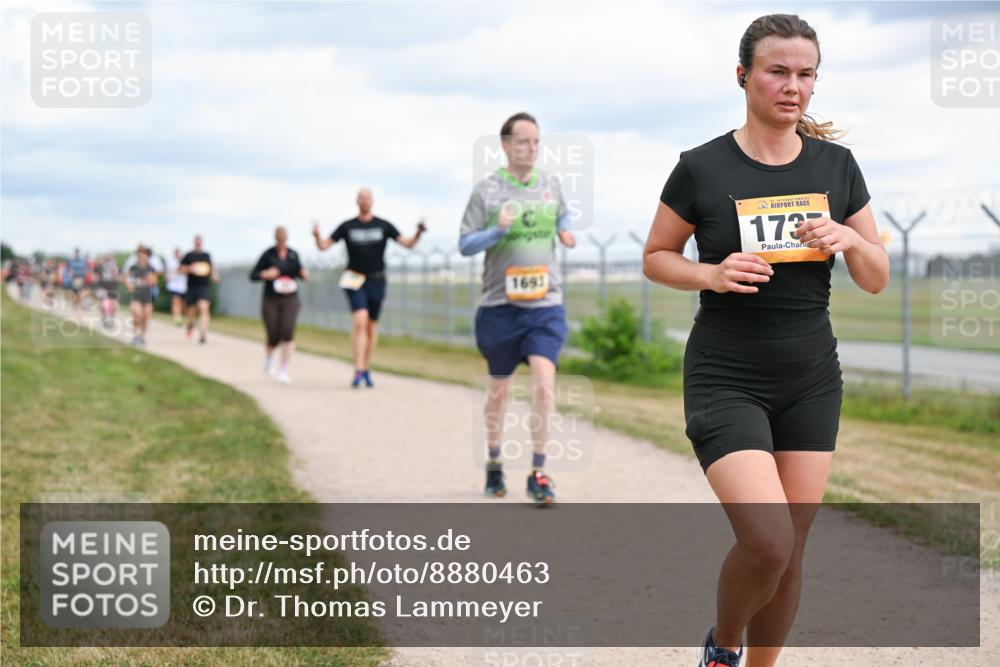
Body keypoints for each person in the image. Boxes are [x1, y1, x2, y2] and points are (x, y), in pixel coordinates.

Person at [641, 14, 888, 667]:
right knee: (769, 542)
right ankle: (722, 648)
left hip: (809, 379)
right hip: (726, 376)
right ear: (744, 74)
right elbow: (657, 256)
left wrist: (852, 240)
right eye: (778, 71)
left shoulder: (837, 166)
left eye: (806, 74)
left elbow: (876, 277)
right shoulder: (701, 167)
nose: (793, 86)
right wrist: (710, 273)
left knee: (793, 549)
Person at [459, 111, 577, 507]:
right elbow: (465, 244)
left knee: (545, 385)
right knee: (500, 391)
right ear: (506, 145)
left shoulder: (551, 185)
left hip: (545, 304)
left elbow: (563, 214)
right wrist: (497, 231)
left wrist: (565, 229)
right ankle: (494, 461)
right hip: (500, 307)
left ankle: (538, 471)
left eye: (537, 142)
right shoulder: (487, 191)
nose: (531, 148)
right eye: (523, 141)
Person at [312, 188, 426, 387]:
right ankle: (358, 369)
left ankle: (365, 366)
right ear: (356, 201)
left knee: (371, 327)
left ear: (372, 201)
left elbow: (407, 244)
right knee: (359, 321)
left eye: (367, 197)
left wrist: (418, 233)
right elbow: (324, 246)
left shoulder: (383, 225)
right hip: (353, 278)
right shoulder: (347, 226)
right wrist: (316, 236)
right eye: (361, 198)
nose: (364, 201)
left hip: (376, 279)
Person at [250, 226, 309, 384]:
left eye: (284, 238)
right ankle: (269, 359)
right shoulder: (268, 255)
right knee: (273, 334)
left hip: (290, 297)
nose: (281, 241)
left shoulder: (293, 254)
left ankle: (283, 369)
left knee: (288, 331)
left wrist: (304, 274)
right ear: (275, 238)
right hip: (271, 298)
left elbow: (300, 272)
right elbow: (253, 275)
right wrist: (265, 274)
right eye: (279, 238)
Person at [178, 234, 219, 344]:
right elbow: (180, 270)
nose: (198, 244)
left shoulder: (206, 255)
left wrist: (214, 275)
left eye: (200, 242)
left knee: (204, 308)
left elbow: (211, 268)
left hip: (203, 286)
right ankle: (190, 324)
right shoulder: (189, 256)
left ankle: (202, 334)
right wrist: (189, 269)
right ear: (194, 243)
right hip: (191, 287)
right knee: (191, 312)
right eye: (197, 242)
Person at [125, 248, 155, 346]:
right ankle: (136, 334)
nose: (143, 257)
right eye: (141, 255)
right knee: (138, 315)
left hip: (147, 296)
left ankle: (142, 336)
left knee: (146, 317)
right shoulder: (133, 267)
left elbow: (154, 281)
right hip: (136, 295)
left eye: (145, 255)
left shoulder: (150, 267)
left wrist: (150, 280)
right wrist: (129, 286)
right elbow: (126, 278)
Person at [95, 254, 120, 328]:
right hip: (103, 288)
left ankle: (111, 318)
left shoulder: (116, 268)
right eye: (107, 259)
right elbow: (96, 277)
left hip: (113, 288)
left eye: (111, 259)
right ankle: (104, 316)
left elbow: (118, 280)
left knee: (115, 306)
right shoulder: (100, 267)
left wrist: (115, 274)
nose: (109, 261)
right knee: (103, 305)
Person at [164, 248, 188, 326]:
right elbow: (167, 272)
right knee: (175, 301)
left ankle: (179, 316)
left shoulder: (185, 262)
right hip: (173, 285)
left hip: (183, 286)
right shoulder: (170, 262)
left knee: (182, 303)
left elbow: (185, 272)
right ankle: (176, 318)